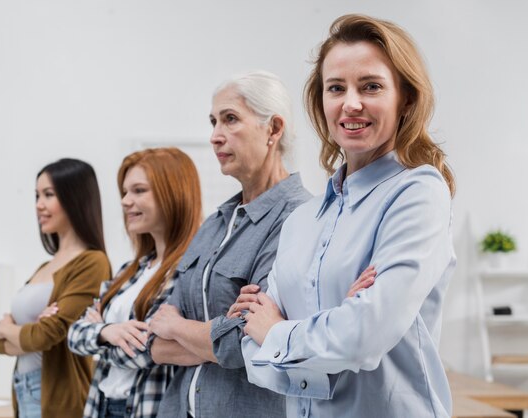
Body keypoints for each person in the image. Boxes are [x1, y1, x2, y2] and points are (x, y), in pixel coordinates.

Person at [234, 14, 456, 418]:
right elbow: (251, 350)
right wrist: (332, 329)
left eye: (371, 86)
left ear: (405, 97)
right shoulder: (301, 222)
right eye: (336, 88)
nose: (351, 103)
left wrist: (278, 333)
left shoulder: (418, 193)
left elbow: (363, 337)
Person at [147, 70, 312, 418]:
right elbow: (155, 337)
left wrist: (177, 327)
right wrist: (212, 335)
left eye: (230, 119)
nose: (215, 137)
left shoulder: (300, 218)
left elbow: (248, 341)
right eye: (213, 122)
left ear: (274, 129)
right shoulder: (216, 222)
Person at [66, 148, 203, 418]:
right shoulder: (128, 273)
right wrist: (109, 332)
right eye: (125, 192)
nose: (126, 201)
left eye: (139, 190)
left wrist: (99, 332)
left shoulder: (189, 271)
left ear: (173, 193)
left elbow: (144, 351)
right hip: (101, 405)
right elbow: (73, 335)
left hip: (143, 409)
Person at [0, 158, 111, 418]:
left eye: (49, 194)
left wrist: (8, 329)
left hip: (57, 397)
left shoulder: (93, 262)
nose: (39, 205)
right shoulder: (44, 267)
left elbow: (48, 335)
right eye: (37, 195)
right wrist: (26, 334)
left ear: (74, 198)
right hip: (24, 390)